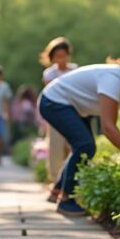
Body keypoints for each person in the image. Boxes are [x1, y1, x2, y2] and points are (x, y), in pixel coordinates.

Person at [38, 42, 120, 216]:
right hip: (53, 101)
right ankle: (66, 200)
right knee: (85, 146)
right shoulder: (114, 78)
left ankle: (58, 190)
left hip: (72, 106)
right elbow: (108, 128)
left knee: (82, 146)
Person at [40, 37, 79, 202]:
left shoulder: (75, 70)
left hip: (74, 113)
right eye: (58, 56)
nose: (61, 60)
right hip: (56, 114)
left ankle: (70, 184)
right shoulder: (49, 74)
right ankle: (57, 183)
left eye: (64, 56)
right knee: (56, 149)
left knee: (72, 148)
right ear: (52, 58)